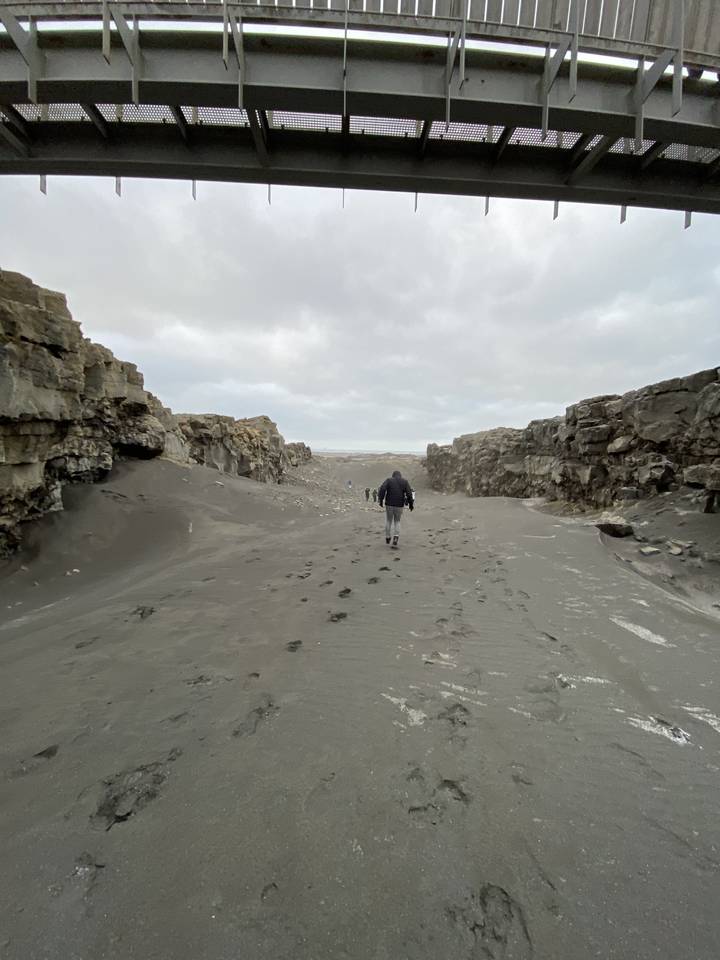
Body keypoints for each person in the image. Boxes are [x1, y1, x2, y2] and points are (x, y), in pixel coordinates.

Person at [377, 469, 414, 548]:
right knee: (397, 521)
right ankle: (395, 538)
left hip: (389, 504)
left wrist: (381, 500)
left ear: (393, 475)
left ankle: (387, 537)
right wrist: (411, 504)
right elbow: (409, 494)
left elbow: (382, 488)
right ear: (400, 475)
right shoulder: (404, 481)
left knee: (388, 520)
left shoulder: (389, 480)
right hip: (399, 504)